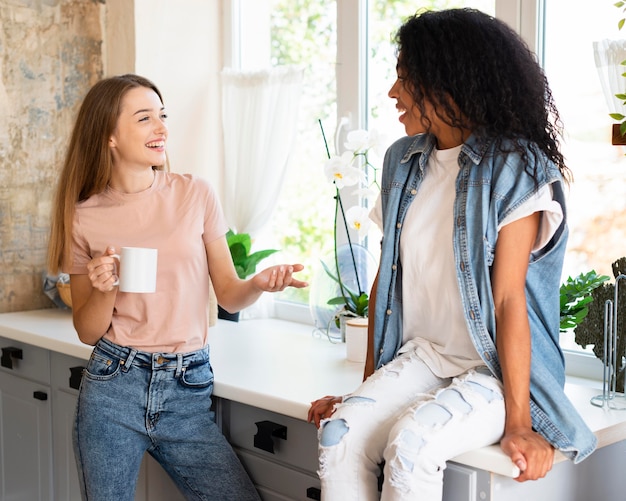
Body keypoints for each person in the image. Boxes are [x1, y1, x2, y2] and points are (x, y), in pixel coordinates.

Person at [308, 8, 596, 501]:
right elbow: (386, 282)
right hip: (424, 356)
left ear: (447, 84)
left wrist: (521, 424)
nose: (393, 94)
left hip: (494, 370)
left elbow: (508, 302)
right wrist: (363, 392)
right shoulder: (402, 160)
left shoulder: (516, 167)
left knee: (412, 446)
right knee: (339, 434)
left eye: (405, 80)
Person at [47, 74, 307, 501]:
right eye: (145, 118)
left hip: (187, 388)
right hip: (114, 386)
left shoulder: (195, 194)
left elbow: (228, 294)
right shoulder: (82, 216)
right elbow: (88, 331)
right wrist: (107, 287)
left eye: (162, 116)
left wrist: (257, 284)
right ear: (109, 136)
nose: (162, 128)